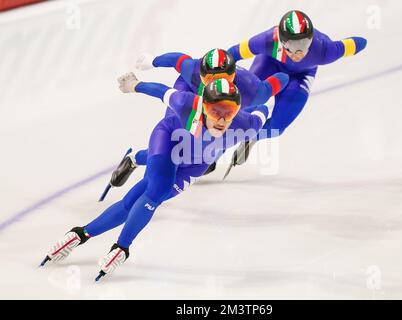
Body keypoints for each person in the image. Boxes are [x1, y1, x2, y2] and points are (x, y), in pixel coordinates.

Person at [40, 75, 274, 280]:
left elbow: (265, 109)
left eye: (229, 113)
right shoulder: (185, 105)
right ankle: (121, 248)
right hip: (168, 140)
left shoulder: (245, 125)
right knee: (156, 191)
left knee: (136, 200)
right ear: (203, 106)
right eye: (215, 112)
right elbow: (163, 92)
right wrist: (135, 85)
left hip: (196, 163)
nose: (222, 120)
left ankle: (80, 234)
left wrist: (271, 99)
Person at [107, 49, 289, 189]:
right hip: (189, 95)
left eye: (223, 78)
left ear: (234, 77)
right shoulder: (192, 70)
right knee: (175, 145)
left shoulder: (253, 91)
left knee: (199, 149)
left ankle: (137, 160)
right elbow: (178, 60)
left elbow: (282, 78)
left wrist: (283, 81)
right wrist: (152, 62)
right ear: (201, 75)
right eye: (209, 78)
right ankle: (136, 159)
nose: (215, 84)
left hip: (221, 110)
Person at [225, 10, 367, 173]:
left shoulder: (325, 50)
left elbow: (359, 43)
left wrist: (355, 45)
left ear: (311, 40)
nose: (296, 53)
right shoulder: (268, 40)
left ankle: (253, 137)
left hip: (300, 77)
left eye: (303, 45)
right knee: (241, 106)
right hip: (269, 64)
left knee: (277, 127)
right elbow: (233, 54)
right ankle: (214, 150)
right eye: (291, 47)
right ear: (281, 40)